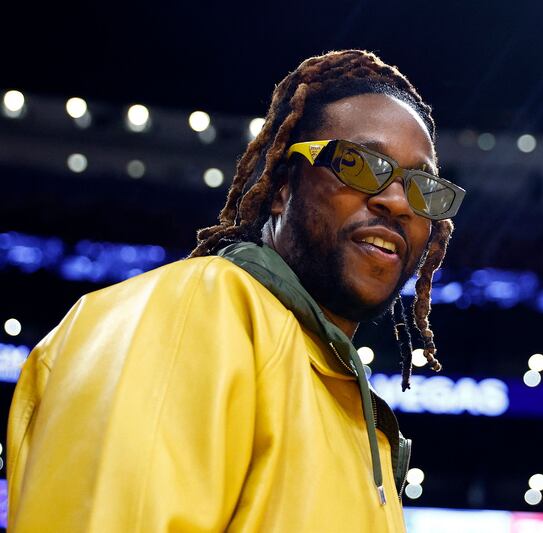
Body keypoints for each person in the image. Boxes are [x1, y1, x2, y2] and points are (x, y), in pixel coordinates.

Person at [6, 49, 465, 532]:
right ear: (284, 187)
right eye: (358, 163)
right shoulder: (195, 310)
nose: (397, 201)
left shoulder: (346, 406)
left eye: (421, 186)